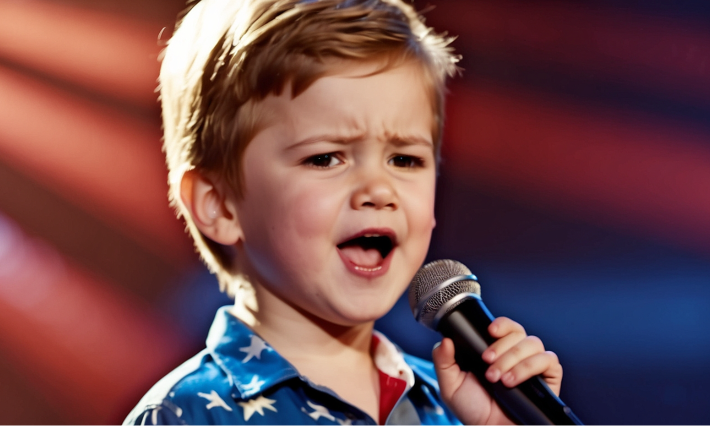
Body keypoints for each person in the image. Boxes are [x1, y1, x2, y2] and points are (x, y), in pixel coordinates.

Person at [123, 0, 563, 425]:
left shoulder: (457, 405)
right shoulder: (183, 415)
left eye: (404, 159)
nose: (379, 189)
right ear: (218, 204)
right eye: (326, 158)